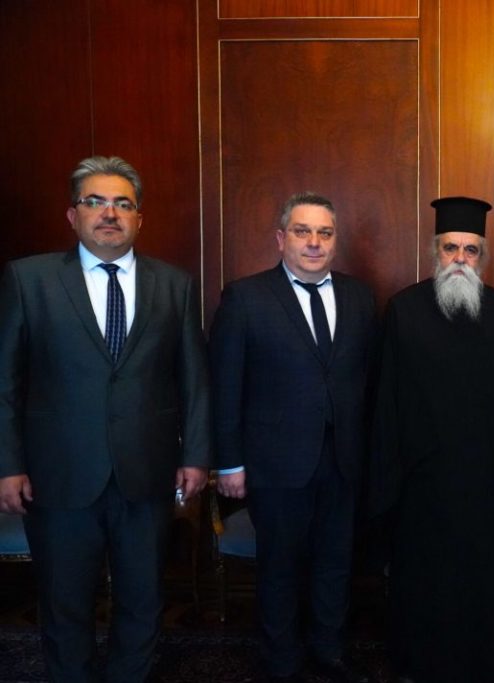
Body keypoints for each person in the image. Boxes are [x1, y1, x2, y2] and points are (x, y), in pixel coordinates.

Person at [0, 155, 210, 682]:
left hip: (147, 474)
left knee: (143, 600)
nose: (109, 213)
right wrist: (7, 465)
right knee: (64, 603)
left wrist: (195, 456)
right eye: (95, 201)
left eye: (122, 203)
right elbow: (5, 381)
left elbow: (194, 379)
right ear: (73, 216)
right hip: (58, 476)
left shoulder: (176, 285)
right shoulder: (28, 279)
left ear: (140, 218)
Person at [209, 192, 376, 683]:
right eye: (303, 231)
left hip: (343, 459)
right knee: (280, 567)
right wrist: (229, 463)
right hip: (275, 464)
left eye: (325, 233)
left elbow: (368, 378)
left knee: (335, 564)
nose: (314, 242)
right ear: (282, 239)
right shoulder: (245, 297)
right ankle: (280, 662)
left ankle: (329, 652)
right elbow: (225, 386)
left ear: (335, 241)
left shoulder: (360, 297)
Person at [370, 196, 494, 683]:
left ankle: (487, 664)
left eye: (470, 250)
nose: (460, 258)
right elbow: (387, 402)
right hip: (423, 483)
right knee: (425, 583)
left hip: (486, 484)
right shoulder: (403, 309)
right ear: (435, 252)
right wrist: (389, 480)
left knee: (484, 582)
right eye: (450, 248)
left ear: (482, 257)